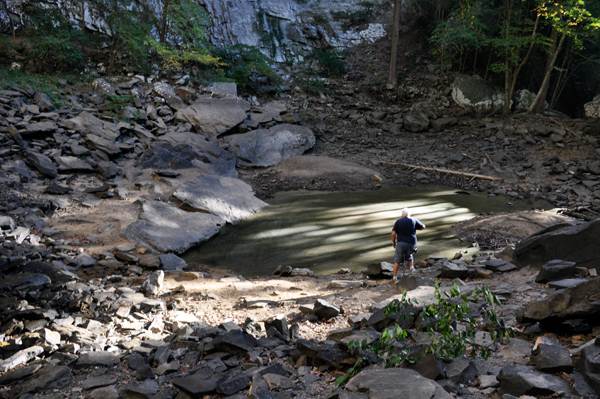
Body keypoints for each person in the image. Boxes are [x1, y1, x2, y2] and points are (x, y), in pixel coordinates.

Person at [391, 208, 426, 281]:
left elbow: (393, 234)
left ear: (402, 215)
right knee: (410, 254)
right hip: (411, 242)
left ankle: (394, 277)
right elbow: (423, 227)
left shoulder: (398, 221)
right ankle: (411, 268)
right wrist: (415, 228)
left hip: (401, 243)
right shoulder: (413, 219)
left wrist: (394, 243)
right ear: (409, 215)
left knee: (397, 260)